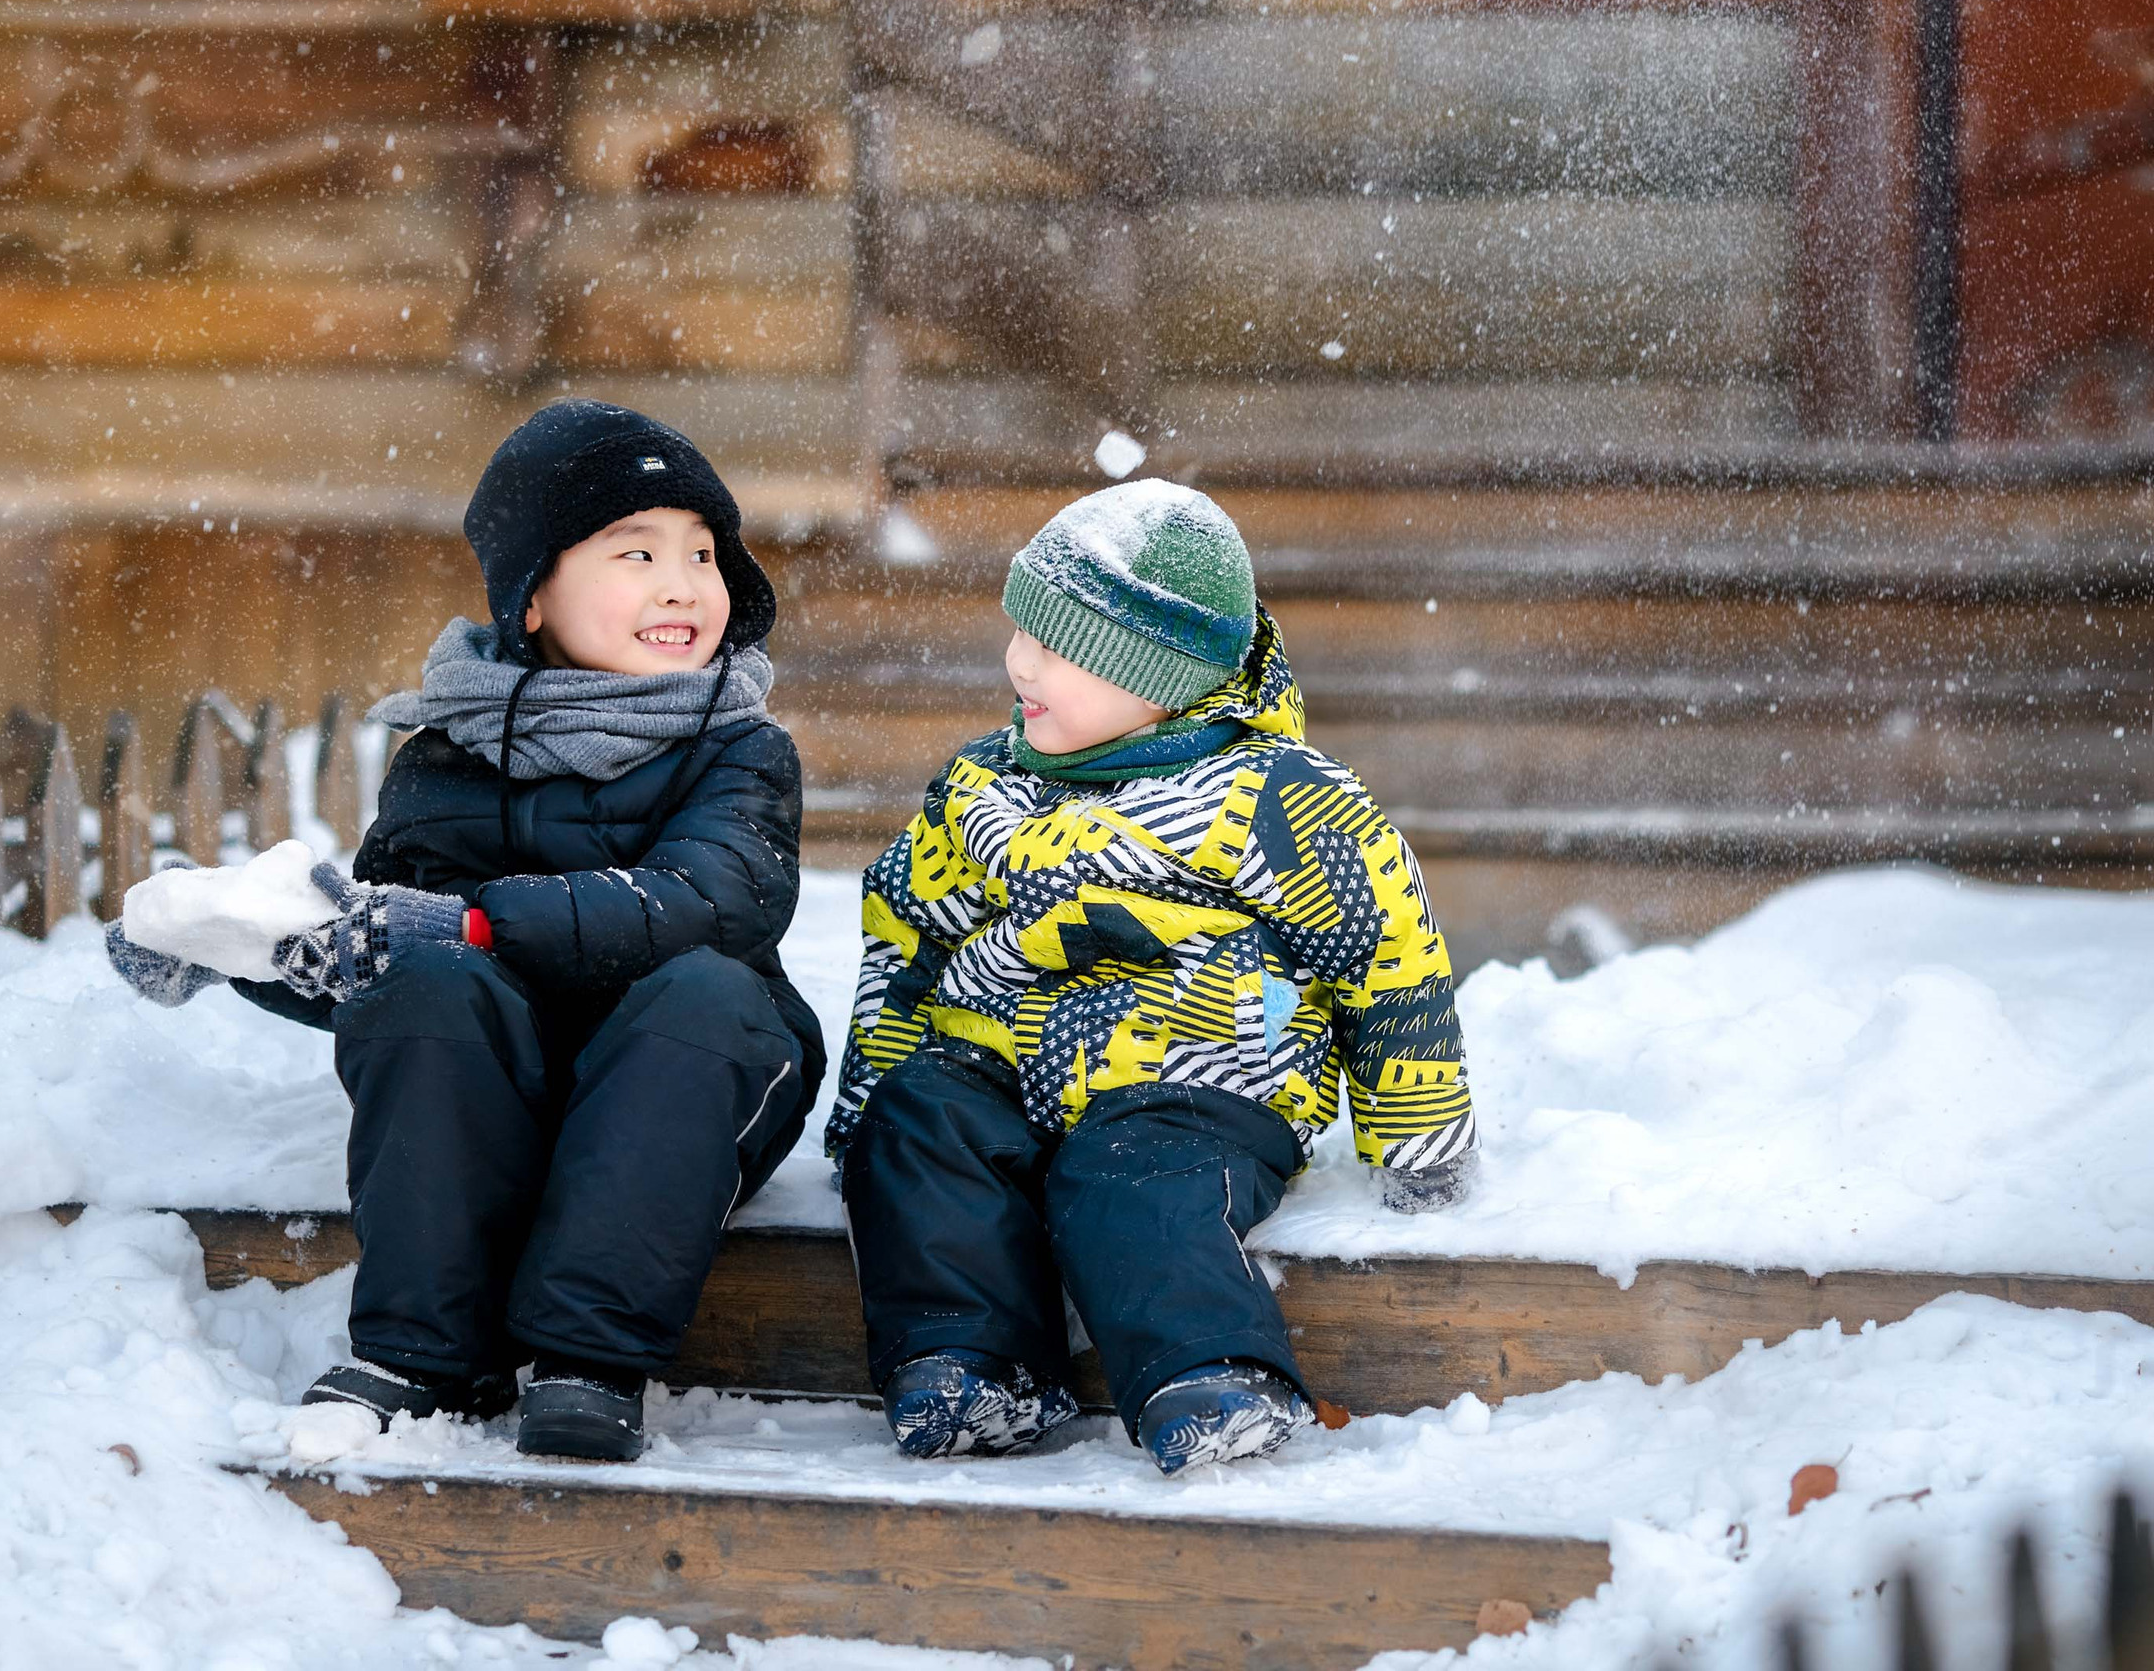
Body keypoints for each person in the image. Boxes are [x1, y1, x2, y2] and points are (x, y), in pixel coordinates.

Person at [107, 400, 823, 1462]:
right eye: (637, 553)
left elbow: (713, 901)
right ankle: (423, 1354)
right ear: (532, 595)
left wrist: (480, 921)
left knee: (704, 992)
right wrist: (246, 947)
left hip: (687, 1085)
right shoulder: (447, 757)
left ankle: (587, 1357)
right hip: (505, 1097)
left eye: (703, 554)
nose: (682, 584)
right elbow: (386, 955)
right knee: (429, 987)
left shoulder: (740, 750)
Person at [831, 479, 1477, 1476]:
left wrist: (1420, 1143)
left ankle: (1209, 1370)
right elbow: (907, 937)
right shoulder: (984, 786)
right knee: (919, 1128)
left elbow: (1387, 961)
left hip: (1199, 1069)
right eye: (1020, 630)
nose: (1019, 663)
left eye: (1059, 648)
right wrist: (870, 1098)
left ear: (1159, 676)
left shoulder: (1275, 798)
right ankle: (974, 1364)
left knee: (1129, 1175)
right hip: (999, 1059)